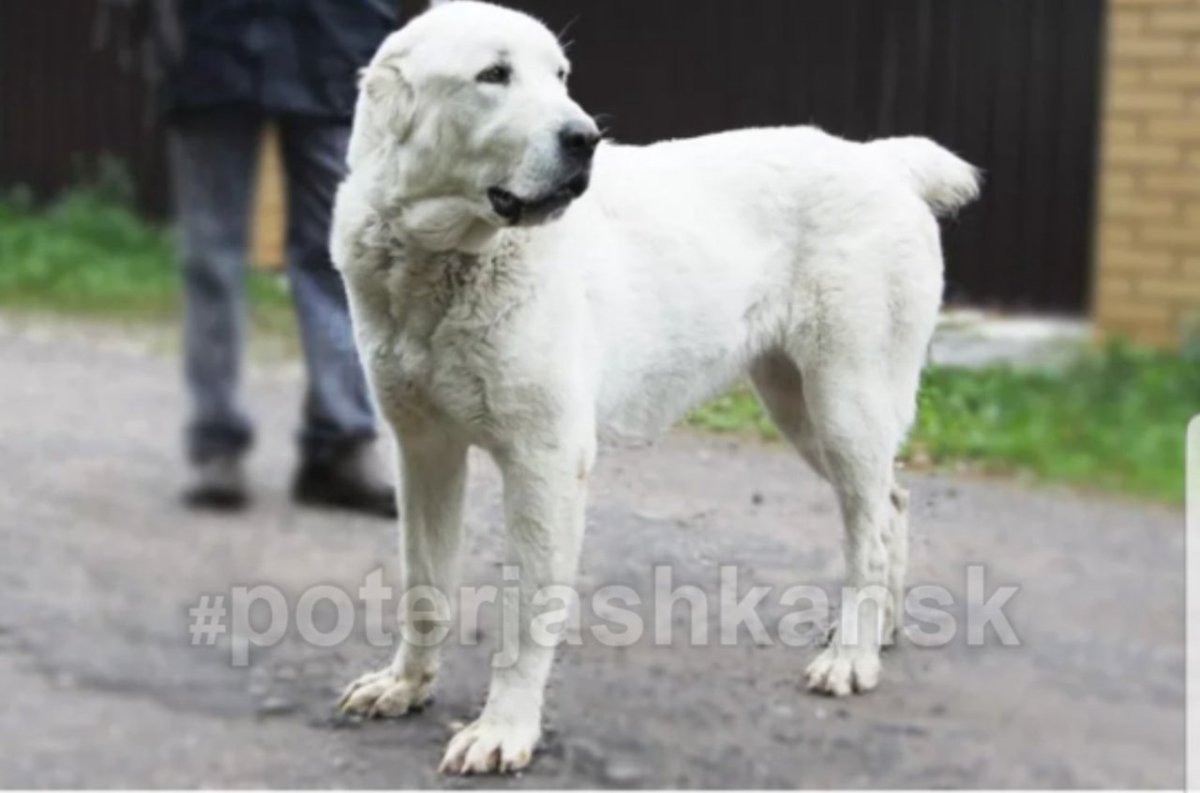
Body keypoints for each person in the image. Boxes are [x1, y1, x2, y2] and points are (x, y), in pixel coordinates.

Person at [151, 0, 406, 515]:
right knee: (211, 258)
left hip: (336, 37)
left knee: (340, 253)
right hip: (212, 42)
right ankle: (216, 444)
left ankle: (341, 444)